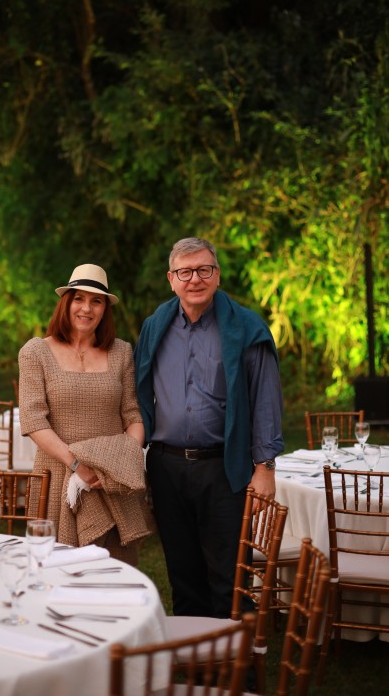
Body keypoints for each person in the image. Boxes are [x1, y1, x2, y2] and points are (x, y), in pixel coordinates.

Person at [134, 237, 284, 616]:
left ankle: (235, 654)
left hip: (224, 468)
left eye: (204, 269)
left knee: (229, 575)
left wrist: (265, 467)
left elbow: (266, 400)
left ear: (217, 275)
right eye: (185, 272)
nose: (195, 279)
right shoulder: (155, 327)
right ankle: (194, 650)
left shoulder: (246, 328)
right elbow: (137, 390)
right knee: (183, 573)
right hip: (167, 468)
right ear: (171, 279)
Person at [18, 263, 154, 564]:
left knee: (114, 569)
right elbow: (33, 419)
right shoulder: (35, 352)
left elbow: (133, 415)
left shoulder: (121, 352)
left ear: (105, 308)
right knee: (54, 568)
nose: (86, 308)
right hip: (56, 476)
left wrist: (118, 465)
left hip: (110, 480)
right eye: (78, 298)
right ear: (66, 303)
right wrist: (77, 464)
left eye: (96, 301)